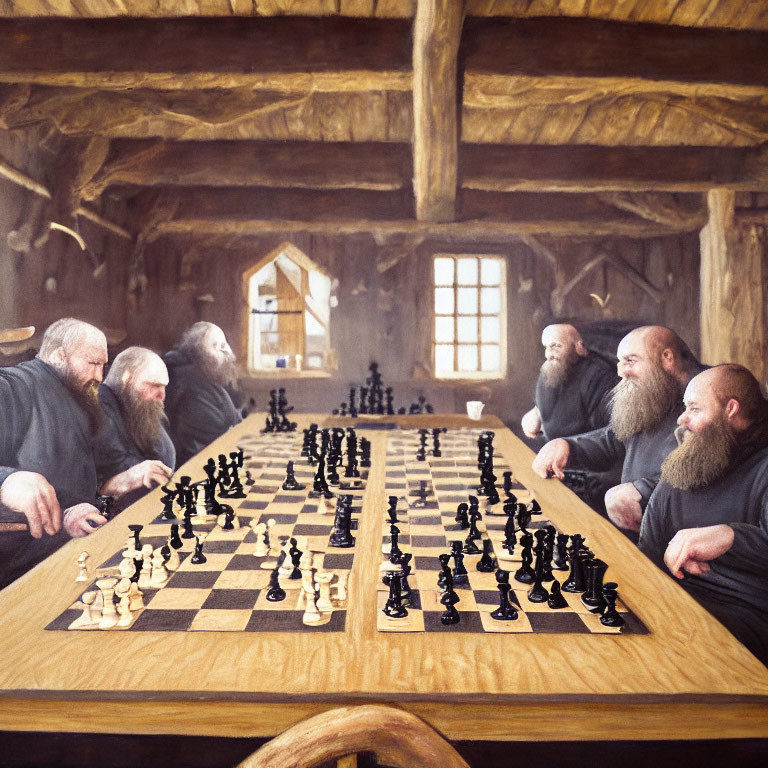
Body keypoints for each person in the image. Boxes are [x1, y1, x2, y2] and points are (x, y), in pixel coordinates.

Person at [639, 364, 768, 665]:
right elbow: (648, 552)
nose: (682, 419)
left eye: (694, 409)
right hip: (676, 601)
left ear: (731, 410)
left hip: (748, 622)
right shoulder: (689, 462)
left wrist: (729, 537)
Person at [532, 325, 701, 533]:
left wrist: (644, 490)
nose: (621, 372)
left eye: (630, 361)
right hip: (640, 528)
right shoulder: (657, 390)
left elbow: (709, 476)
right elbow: (615, 438)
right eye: (620, 362)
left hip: (686, 541)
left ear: (667, 358)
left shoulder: (707, 396)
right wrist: (568, 446)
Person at [0, 318, 109, 588]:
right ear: (60, 355)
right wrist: (6, 480)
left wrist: (75, 508)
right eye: (93, 364)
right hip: (26, 569)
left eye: (103, 365)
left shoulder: (77, 392)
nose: (100, 376)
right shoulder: (17, 386)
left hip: (73, 545)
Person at [94, 347, 175, 508]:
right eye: (154, 385)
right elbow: (105, 480)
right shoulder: (98, 409)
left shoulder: (138, 407)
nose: (162, 395)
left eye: (163, 387)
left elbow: (165, 456)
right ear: (127, 379)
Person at [521, 323, 617, 441]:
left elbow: (604, 434)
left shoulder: (599, 375)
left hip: (582, 453)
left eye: (556, 346)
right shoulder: (552, 368)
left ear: (579, 347)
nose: (549, 354)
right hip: (548, 445)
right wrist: (536, 413)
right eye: (546, 347)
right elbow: (548, 405)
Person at [164, 322, 242, 466]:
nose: (226, 352)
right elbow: (217, 431)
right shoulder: (188, 379)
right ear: (198, 351)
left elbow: (234, 421)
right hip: (196, 466)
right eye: (215, 346)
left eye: (224, 345)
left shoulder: (209, 376)